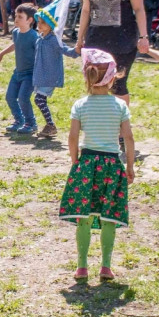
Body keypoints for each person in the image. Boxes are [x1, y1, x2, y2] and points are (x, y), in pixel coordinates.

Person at [59, 49, 133, 281]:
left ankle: (81, 267)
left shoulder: (80, 105)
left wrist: (74, 159)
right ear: (112, 78)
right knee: (108, 216)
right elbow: (128, 138)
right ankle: (106, 266)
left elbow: (72, 137)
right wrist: (129, 165)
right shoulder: (120, 106)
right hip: (112, 165)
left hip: (88, 163)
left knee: (84, 216)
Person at [75, 0, 150, 104]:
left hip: (123, 40)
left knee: (118, 85)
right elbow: (86, 10)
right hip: (96, 39)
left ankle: (122, 126)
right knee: (95, 83)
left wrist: (144, 36)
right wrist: (80, 38)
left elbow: (139, 9)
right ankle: (100, 123)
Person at [32, 0, 81, 138]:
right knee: (40, 100)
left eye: (43, 22)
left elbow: (66, 50)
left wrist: (76, 50)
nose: (39, 25)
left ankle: (51, 125)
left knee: (39, 100)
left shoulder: (54, 40)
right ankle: (49, 126)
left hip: (49, 76)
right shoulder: (39, 38)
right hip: (40, 75)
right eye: (39, 22)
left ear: (51, 25)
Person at [0, 3, 39, 134]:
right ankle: (19, 120)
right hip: (17, 72)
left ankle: (31, 123)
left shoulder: (34, 37)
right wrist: (1, 54)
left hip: (30, 74)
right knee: (10, 97)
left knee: (23, 98)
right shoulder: (15, 32)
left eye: (20, 16)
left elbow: (39, 54)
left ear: (30, 20)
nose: (16, 19)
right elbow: (15, 45)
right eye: (15, 16)